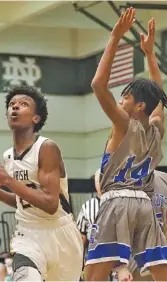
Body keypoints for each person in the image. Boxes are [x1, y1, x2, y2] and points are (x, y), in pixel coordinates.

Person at [85, 8, 167, 281]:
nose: (120, 102)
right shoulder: (156, 129)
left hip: (116, 201)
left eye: (125, 98)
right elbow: (159, 95)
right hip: (145, 206)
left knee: (92, 274)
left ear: (138, 106)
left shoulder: (123, 123)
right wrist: (150, 55)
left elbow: (98, 84)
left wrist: (115, 36)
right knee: (162, 272)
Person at [0, 84, 83, 281]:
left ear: (35, 118)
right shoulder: (7, 156)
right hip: (27, 234)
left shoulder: (46, 148)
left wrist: (6, 180)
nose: (15, 107)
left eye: (23, 104)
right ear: (7, 116)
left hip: (60, 234)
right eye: (12, 104)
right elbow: (22, 201)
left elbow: (49, 204)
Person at [117, 170, 167, 282]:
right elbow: (115, 228)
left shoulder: (164, 179)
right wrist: (121, 268)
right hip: (132, 259)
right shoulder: (121, 182)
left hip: (160, 253)